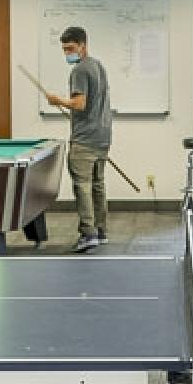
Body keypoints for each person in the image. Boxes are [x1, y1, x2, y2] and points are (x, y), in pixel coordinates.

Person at [44, 27, 113, 253]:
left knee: (82, 186)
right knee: (97, 185)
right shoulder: (97, 65)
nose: (67, 53)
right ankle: (100, 231)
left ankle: (88, 233)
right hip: (102, 136)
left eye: (71, 48)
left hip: (84, 139)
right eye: (64, 49)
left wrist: (58, 101)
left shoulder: (80, 70)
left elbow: (80, 104)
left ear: (83, 45)